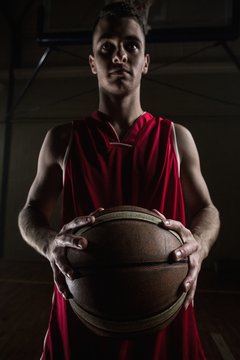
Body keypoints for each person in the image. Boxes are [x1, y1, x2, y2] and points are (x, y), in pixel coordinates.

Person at [18, 2, 220, 359]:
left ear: (146, 61)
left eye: (131, 45)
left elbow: (206, 208)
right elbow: (31, 210)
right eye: (106, 48)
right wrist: (49, 242)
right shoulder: (63, 139)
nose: (120, 56)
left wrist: (199, 245)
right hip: (82, 304)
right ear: (93, 63)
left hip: (163, 305)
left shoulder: (175, 137)